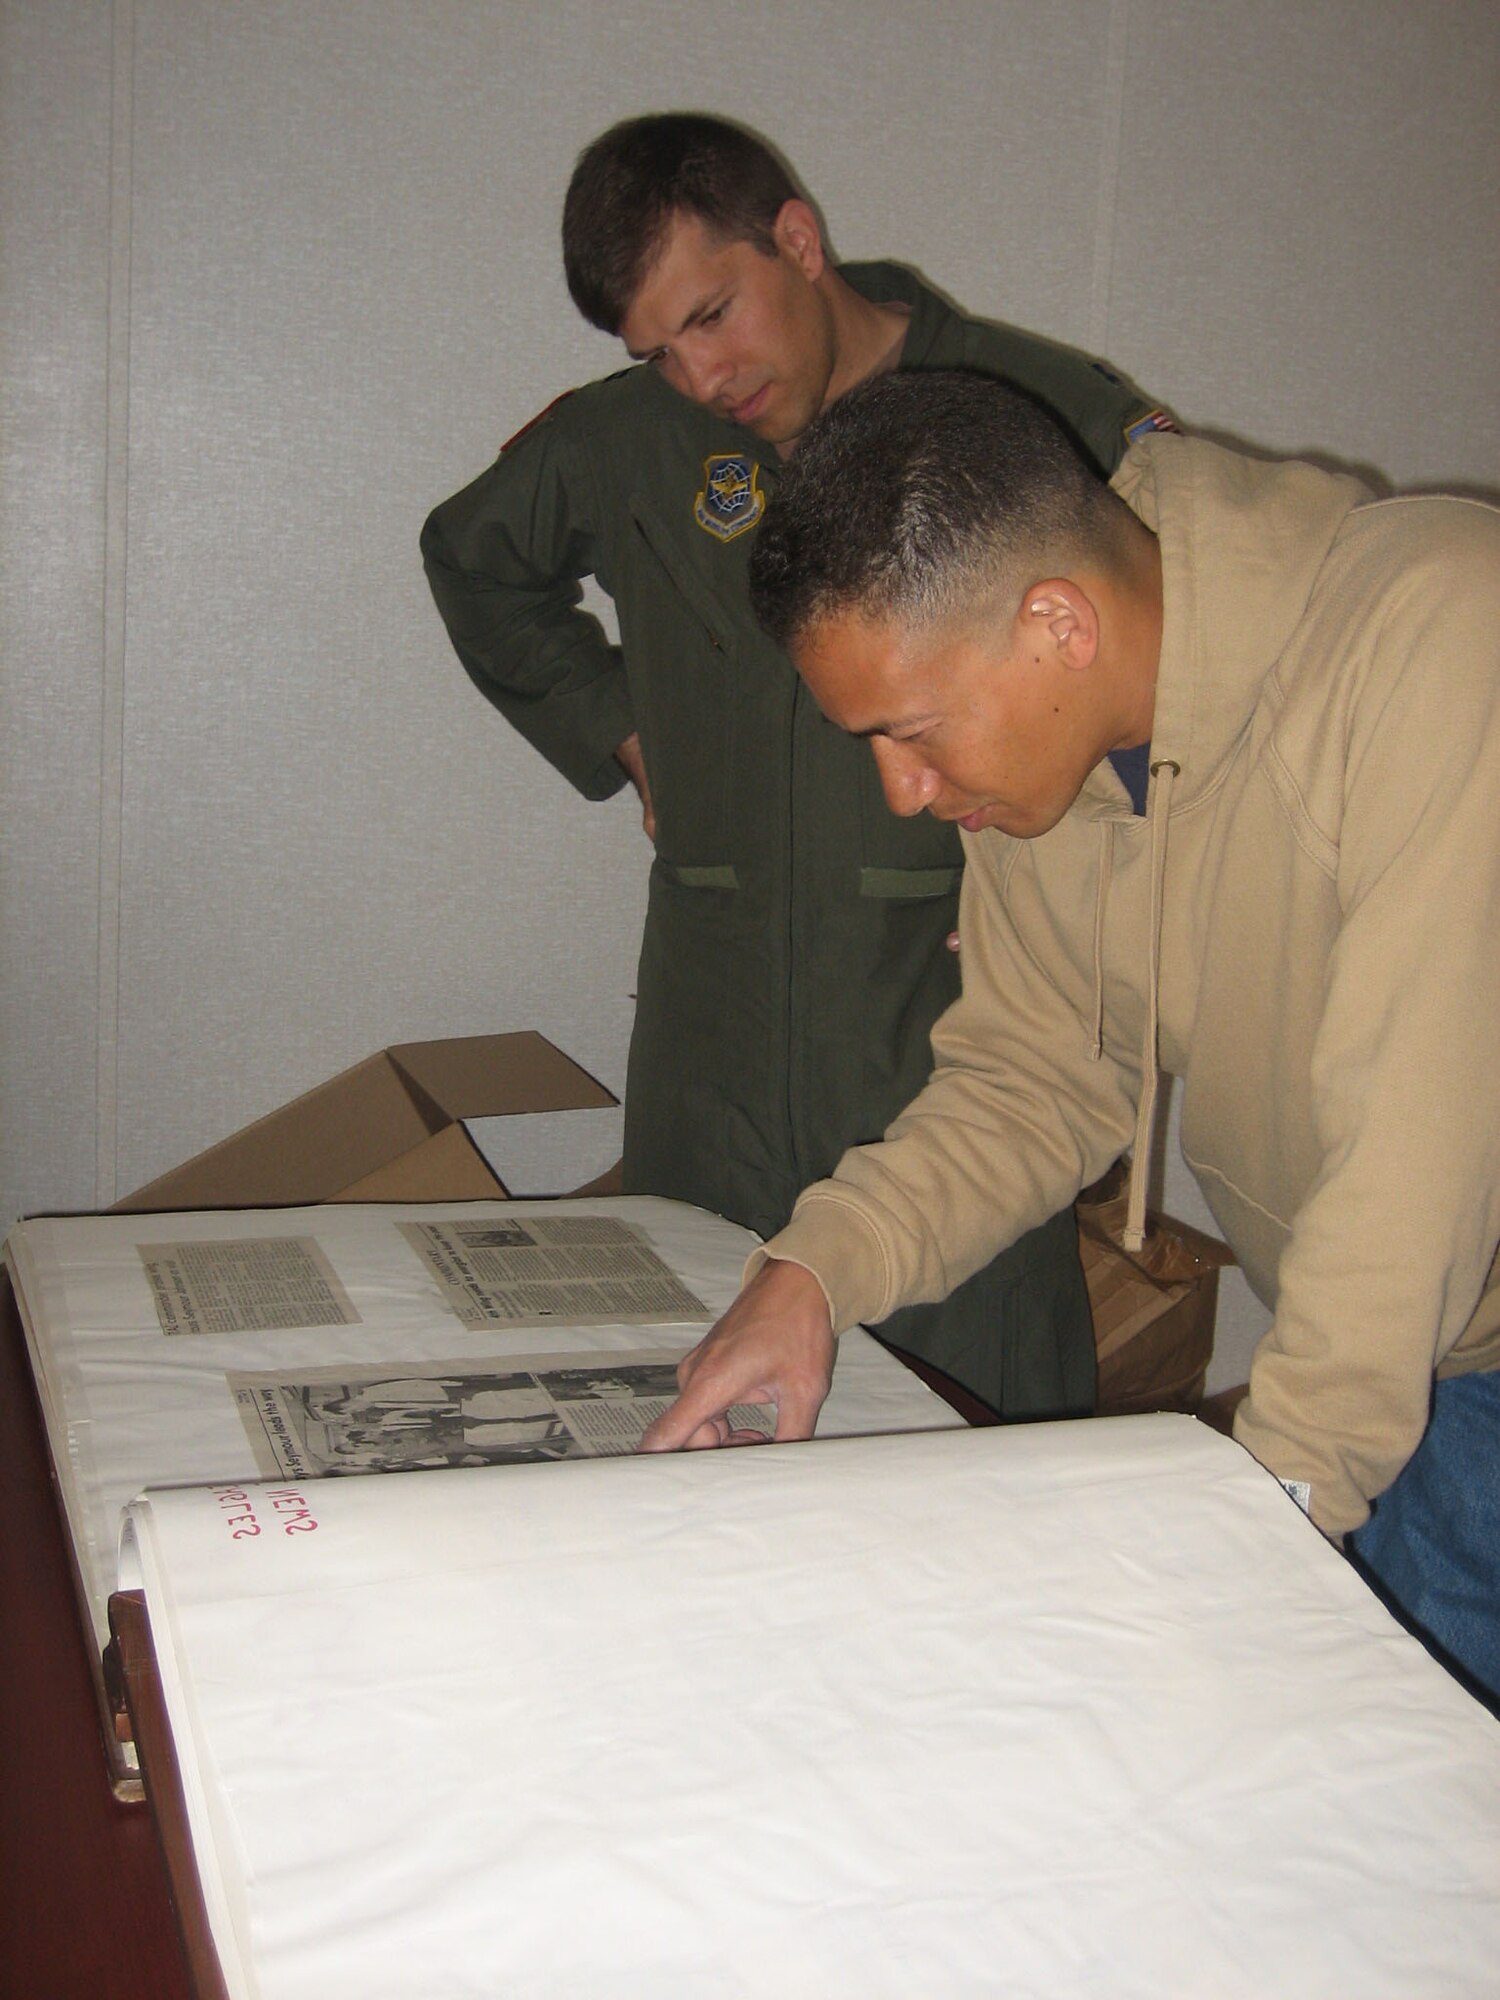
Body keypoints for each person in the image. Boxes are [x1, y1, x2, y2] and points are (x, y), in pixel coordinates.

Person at [641, 368, 1500, 1708]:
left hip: (1448, 1348)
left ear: (1057, 624)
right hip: (1408, 1362)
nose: (905, 792)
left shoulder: (1442, 628)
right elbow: (1034, 1080)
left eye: (909, 734)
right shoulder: (1060, 766)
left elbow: (1416, 1164)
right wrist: (814, 1276)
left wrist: (1260, 1515)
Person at [422, 113, 1175, 1417]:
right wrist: (617, 723)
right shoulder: (626, 439)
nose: (702, 375)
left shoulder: (1037, 408)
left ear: (798, 240)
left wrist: (1117, 910)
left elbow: (1174, 672)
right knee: (699, 1378)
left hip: (944, 1025)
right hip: (712, 1032)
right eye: (659, 349)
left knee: (966, 1405)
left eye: (714, 314)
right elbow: (475, 559)